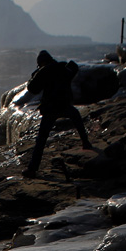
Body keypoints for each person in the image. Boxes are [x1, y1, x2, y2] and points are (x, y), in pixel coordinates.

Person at [22, 50, 92, 178]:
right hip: (65, 105)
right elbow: (73, 68)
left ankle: (32, 169)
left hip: (51, 108)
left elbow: (32, 88)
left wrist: (35, 74)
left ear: (41, 62)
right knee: (77, 118)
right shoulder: (62, 67)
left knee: (41, 140)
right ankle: (86, 142)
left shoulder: (43, 72)